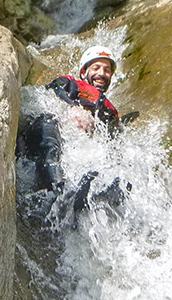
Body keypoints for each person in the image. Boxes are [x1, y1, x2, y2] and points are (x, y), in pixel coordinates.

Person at [21, 46, 120, 193]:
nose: (102, 74)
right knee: (50, 139)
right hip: (47, 129)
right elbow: (54, 89)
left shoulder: (110, 109)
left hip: (76, 145)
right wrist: (73, 107)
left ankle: (86, 194)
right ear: (83, 72)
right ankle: (56, 189)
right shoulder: (71, 82)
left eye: (107, 70)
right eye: (96, 68)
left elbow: (113, 140)